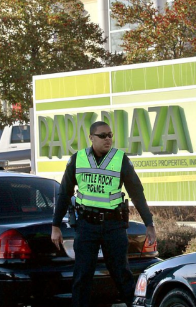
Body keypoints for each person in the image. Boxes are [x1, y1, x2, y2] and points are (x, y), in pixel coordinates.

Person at [51, 121, 156, 306]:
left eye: (110, 135)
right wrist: (55, 225)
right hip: (86, 225)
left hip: (113, 225)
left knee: (122, 274)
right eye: (102, 136)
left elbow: (137, 193)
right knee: (82, 276)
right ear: (91, 137)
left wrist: (149, 223)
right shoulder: (78, 158)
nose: (108, 139)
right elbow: (64, 192)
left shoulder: (120, 159)